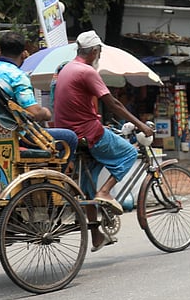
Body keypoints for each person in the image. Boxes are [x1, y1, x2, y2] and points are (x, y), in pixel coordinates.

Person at [51, 30, 154, 251]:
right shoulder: (87, 71)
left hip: (72, 135)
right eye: (99, 52)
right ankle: (106, 191)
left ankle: (96, 235)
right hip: (88, 133)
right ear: (95, 51)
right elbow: (113, 104)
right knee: (129, 152)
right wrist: (141, 125)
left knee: (88, 187)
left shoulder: (66, 69)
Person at [0, 31, 79, 158]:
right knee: (70, 137)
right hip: (15, 134)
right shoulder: (17, 76)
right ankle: (57, 172)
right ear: (24, 54)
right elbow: (34, 112)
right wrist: (46, 113)